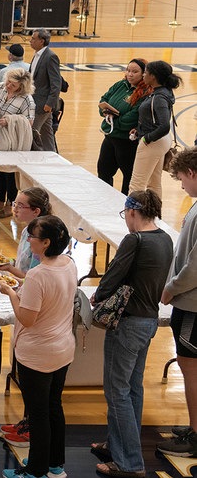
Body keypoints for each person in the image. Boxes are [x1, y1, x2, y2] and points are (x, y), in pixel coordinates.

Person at [88, 190, 171, 476]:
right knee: (133, 389)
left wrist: (99, 295)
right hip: (148, 321)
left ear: (132, 212)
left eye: (125, 214)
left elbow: (113, 274)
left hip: (128, 323)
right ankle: (117, 445)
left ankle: (129, 462)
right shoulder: (165, 238)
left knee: (117, 392)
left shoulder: (134, 240)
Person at [0, 216, 76, 478]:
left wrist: (10, 293)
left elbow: (27, 319)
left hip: (37, 355)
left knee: (38, 414)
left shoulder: (37, 273)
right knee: (54, 407)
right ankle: (55, 464)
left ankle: (35, 470)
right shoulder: (69, 264)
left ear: (46, 242)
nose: (28, 238)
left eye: (33, 235)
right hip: (62, 349)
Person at [160, 147, 197, 458]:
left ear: (193, 173)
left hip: (192, 306)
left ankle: (196, 435)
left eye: (182, 178)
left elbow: (195, 266)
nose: (181, 185)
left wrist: (170, 289)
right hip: (189, 303)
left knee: (191, 368)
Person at [0, 68, 36, 217]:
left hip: (14, 139)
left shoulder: (27, 99)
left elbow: (29, 123)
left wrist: (9, 121)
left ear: (22, 86)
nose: (8, 86)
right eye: (8, 81)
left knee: (10, 173)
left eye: (13, 85)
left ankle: (8, 206)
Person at [129, 60, 182, 199]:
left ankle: (131, 217)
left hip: (154, 141)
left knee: (136, 184)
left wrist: (147, 138)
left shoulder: (159, 96)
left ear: (153, 76)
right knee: (154, 183)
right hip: (160, 140)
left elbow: (164, 125)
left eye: (146, 72)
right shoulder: (163, 91)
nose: (144, 75)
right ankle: (156, 217)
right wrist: (138, 129)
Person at [97, 59, 151, 194]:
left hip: (127, 141)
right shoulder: (120, 85)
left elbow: (133, 117)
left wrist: (113, 121)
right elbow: (104, 100)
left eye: (135, 71)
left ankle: (126, 208)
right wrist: (104, 112)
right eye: (128, 71)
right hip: (110, 138)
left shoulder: (146, 92)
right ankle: (104, 202)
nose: (130, 74)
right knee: (103, 173)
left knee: (128, 177)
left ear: (144, 74)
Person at [27, 29, 62, 152]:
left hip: (42, 104)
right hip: (35, 101)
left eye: (33, 38)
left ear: (41, 41)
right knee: (47, 135)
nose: (30, 41)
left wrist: (49, 103)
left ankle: (32, 161)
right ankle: (51, 157)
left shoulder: (50, 57)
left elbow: (56, 84)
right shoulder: (37, 55)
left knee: (32, 132)